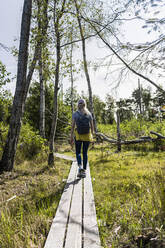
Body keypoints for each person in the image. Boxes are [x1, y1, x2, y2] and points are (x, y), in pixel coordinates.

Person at [70, 99, 94, 178]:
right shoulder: (89, 113)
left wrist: (71, 136)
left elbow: (73, 126)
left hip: (78, 135)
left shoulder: (75, 114)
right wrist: (92, 136)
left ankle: (80, 168)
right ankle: (84, 170)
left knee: (78, 152)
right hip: (87, 135)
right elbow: (92, 126)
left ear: (78, 105)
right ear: (85, 105)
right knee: (85, 153)